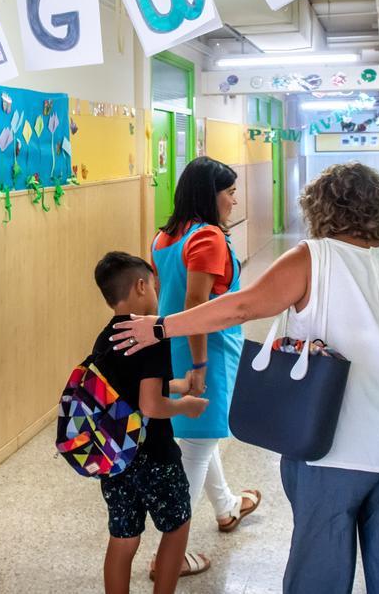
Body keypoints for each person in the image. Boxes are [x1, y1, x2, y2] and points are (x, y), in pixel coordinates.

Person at [112, 162, 379, 594]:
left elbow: (243, 307)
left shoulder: (315, 257)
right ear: (377, 207)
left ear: (318, 209)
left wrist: (160, 326)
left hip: (333, 454)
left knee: (319, 574)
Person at [151, 157, 261, 578]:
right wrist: (198, 365)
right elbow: (195, 306)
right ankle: (170, 556)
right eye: (229, 192)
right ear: (208, 194)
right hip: (204, 349)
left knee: (202, 435)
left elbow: (168, 295)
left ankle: (228, 506)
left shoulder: (166, 235)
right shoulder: (208, 238)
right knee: (195, 449)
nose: (234, 200)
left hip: (175, 344)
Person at [90, 252, 211, 594]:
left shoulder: (105, 339)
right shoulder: (151, 335)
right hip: (154, 455)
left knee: (123, 539)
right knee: (176, 528)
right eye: (155, 287)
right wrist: (185, 405)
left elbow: (132, 387)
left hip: (115, 457)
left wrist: (178, 385)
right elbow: (151, 404)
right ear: (141, 286)